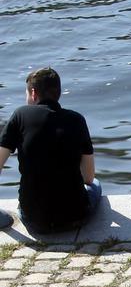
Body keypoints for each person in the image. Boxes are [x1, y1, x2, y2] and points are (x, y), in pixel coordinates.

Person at [0, 67, 100, 233]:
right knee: (95, 185)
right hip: (76, 216)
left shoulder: (20, 115)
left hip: (34, 219)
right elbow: (89, 178)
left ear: (33, 93)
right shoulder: (76, 119)